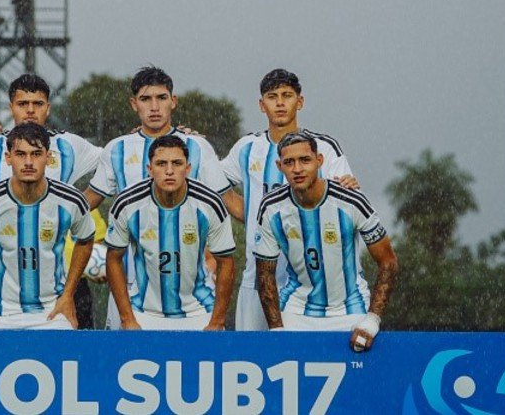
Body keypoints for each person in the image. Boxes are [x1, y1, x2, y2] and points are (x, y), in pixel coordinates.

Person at [83, 66, 233, 328]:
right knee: (125, 351)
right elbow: (85, 203)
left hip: (188, 284)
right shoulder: (117, 149)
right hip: (128, 286)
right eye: (146, 99)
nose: (154, 107)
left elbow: (226, 203)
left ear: (173, 101)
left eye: (161, 98)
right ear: (134, 104)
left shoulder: (197, 147)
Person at [0, 74, 107, 327]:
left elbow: (117, 160)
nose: (30, 110)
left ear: (48, 108)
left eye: (37, 104)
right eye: (22, 104)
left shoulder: (68, 146)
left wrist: (86, 201)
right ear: (11, 107)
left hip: (53, 290)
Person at [221, 68, 358, 331]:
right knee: (252, 351)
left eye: (287, 95)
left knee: (299, 353)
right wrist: (249, 214)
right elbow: (213, 182)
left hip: (310, 283)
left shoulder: (324, 148)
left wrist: (349, 187)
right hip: (257, 278)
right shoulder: (247, 148)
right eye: (272, 97)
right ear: (262, 105)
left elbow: (346, 200)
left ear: (300, 101)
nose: (280, 103)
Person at [255, 131, 399, 352]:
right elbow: (265, 273)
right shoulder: (271, 207)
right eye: (289, 162)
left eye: (305, 160)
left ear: (319, 161)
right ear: (279, 166)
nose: (297, 169)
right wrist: (276, 328)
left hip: (350, 311)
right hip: (296, 311)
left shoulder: (352, 200)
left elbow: (388, 261)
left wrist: (372, 320)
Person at [104, 136, 236, 330]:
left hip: (200, 310)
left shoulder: (210, 203)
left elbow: (226, 263)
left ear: (188, 168)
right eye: (161, 164)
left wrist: (217, 321)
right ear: (149, 169)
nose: (169, 171)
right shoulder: (127, 203)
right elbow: (113, 259)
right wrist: (127, 319)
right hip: (144, 312)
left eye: (177, 163)